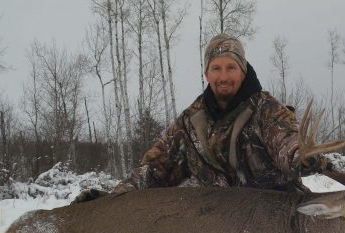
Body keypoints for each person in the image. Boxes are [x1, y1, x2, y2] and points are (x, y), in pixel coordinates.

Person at [74, 33, 331, 203]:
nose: (224, 76)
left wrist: (301, 156)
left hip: (280, 216)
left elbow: (286, 141)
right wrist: (112, 200)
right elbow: (154, 170)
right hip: (223, 224)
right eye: (216, 68)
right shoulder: (190, 122)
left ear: (243, 71)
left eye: (231, 67)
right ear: (207, 74)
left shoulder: (267, 110)